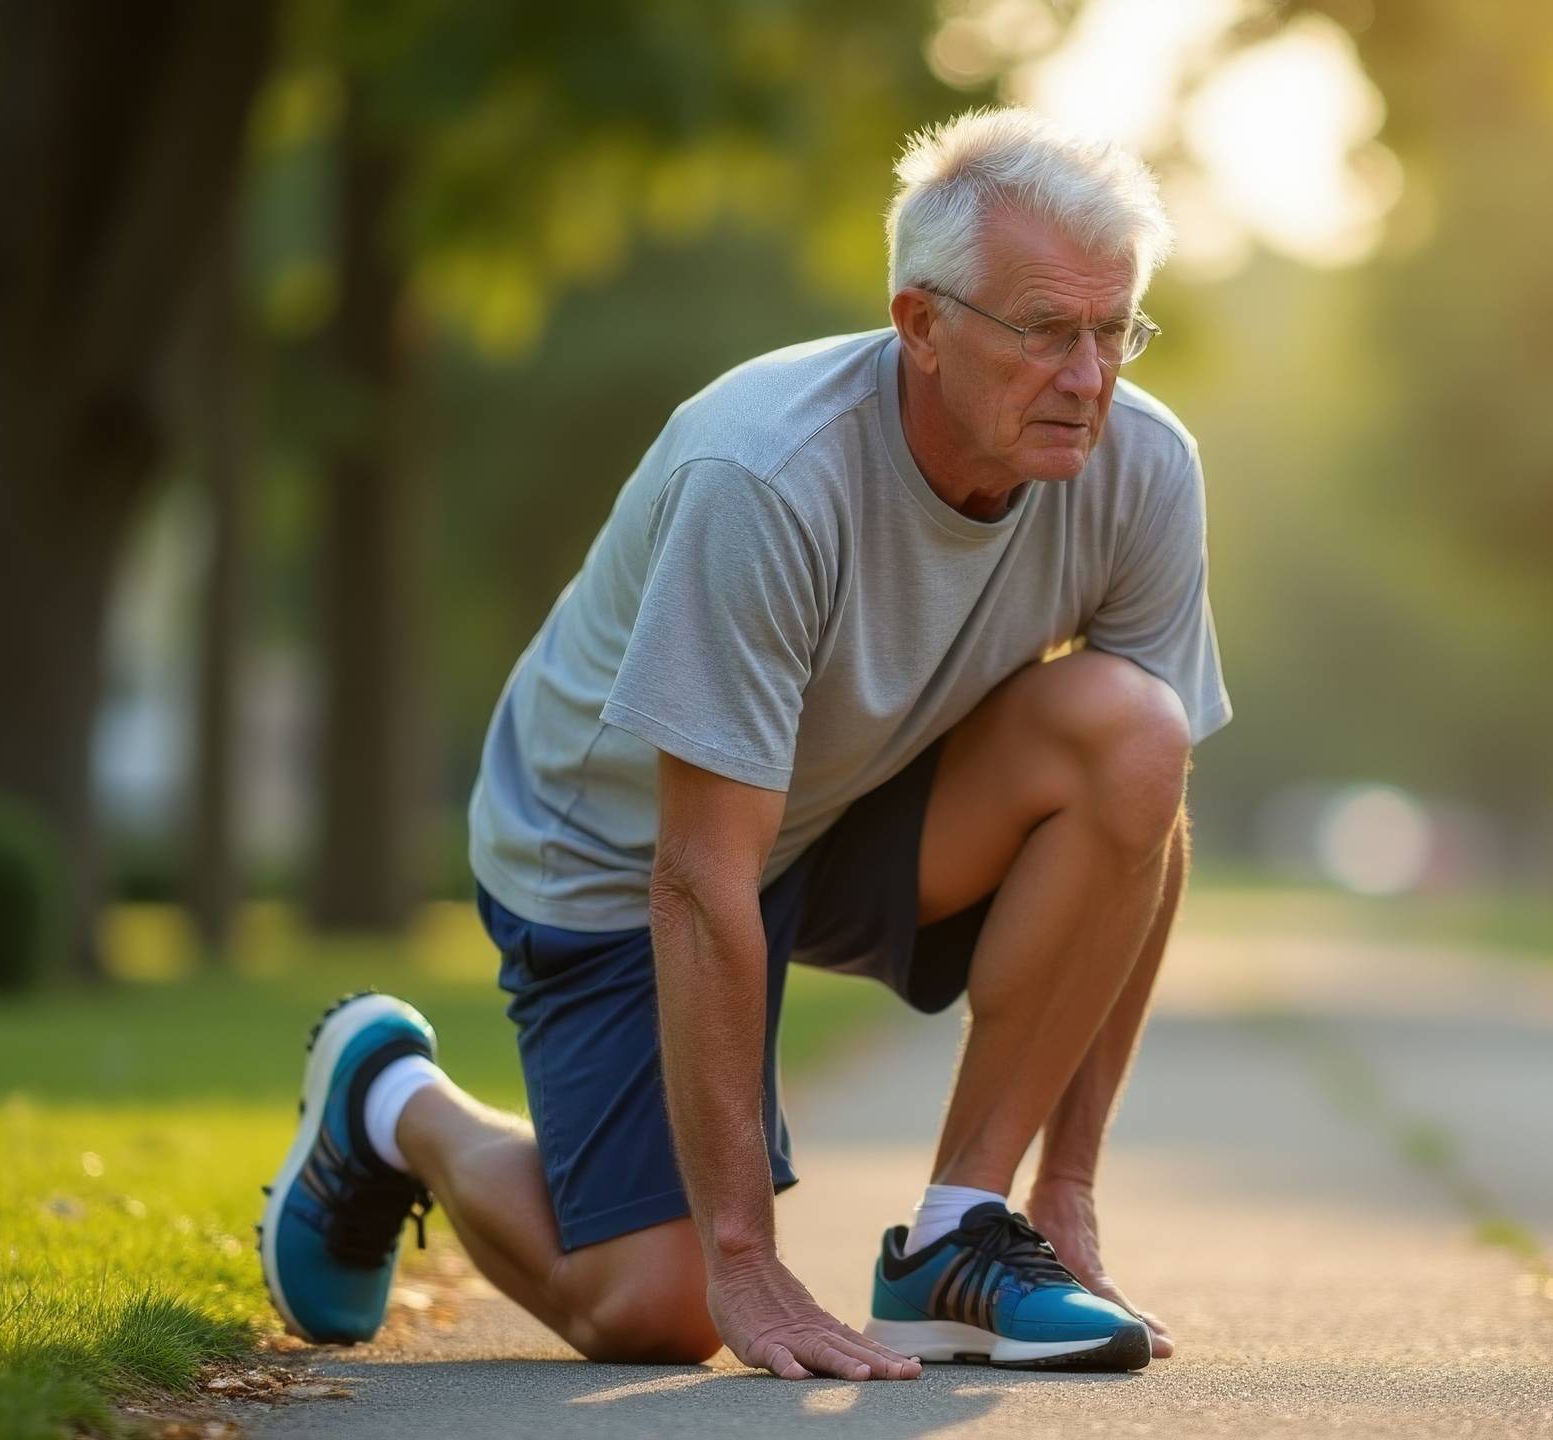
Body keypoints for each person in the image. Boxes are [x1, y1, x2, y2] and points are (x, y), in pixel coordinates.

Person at [254, 106, 1230, 1380]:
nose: (1089, 377)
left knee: (1135, 736)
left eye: (1112, 330)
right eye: (1046, 330)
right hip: (612, 851)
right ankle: (396, 1106)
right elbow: (696, 873)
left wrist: (1070, 1191)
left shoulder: (1142, 465)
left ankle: (962, 1232)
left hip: (852, 802)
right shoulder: (766, 474)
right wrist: (745, 1256)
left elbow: (1138, 833)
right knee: (659, 1314)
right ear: (921, 324)